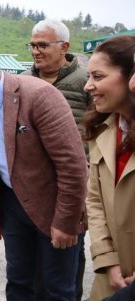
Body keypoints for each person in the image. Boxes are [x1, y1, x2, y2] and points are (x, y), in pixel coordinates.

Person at [0, 41, 87, 300]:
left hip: (52, 207)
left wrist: (66, 221)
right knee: (19, 283)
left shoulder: (39, 95)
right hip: (13, 207)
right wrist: (1, 213)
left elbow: (73, 166)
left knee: (56, 290)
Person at [24, 19, 90, 301]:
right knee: (37, 253)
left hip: (74, 178)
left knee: (70, 249)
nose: (36, 51)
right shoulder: (26, 81)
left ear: (64, 46)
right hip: (36, 182)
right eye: (32, 45)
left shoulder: (86, 81)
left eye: (42, 45)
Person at [82, 35, 135, 301]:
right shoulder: (101, 131)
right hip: (111, 278)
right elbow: (94, 200)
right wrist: (107, 260)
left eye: (98, 77)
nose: (88, 85)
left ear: (131, 78)